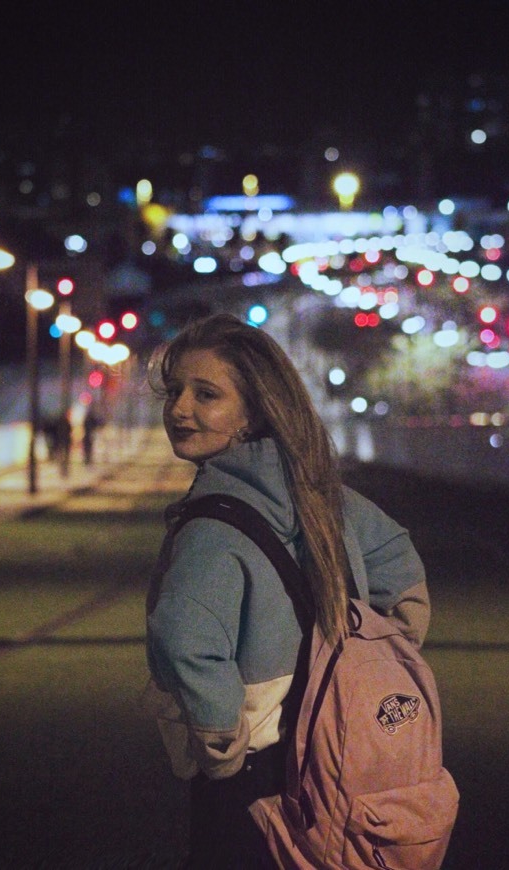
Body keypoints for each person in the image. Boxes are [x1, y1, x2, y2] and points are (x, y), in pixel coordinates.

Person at [146, 313, 430, 868]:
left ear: (253, 412)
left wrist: (218, 742)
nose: (180, 408)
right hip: (336, 748)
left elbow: (183, 638)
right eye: (175, 390)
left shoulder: (209, 527)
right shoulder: (319, 491)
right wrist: (387, 655)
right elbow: (398, 558)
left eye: (206, 394)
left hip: (255, 776)